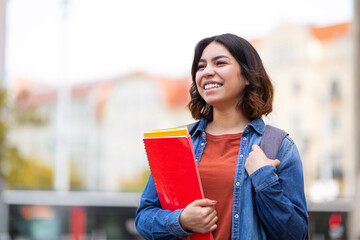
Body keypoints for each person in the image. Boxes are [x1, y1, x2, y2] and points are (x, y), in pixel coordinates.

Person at [135, 33, 308, 239]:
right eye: (201, 66)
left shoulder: (279, 146)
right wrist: (181, 221)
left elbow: (296, 234)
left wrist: (264, 178)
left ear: (247, 75)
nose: (207, 71)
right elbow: (144, 219)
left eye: (220, 63)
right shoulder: (177, 142)